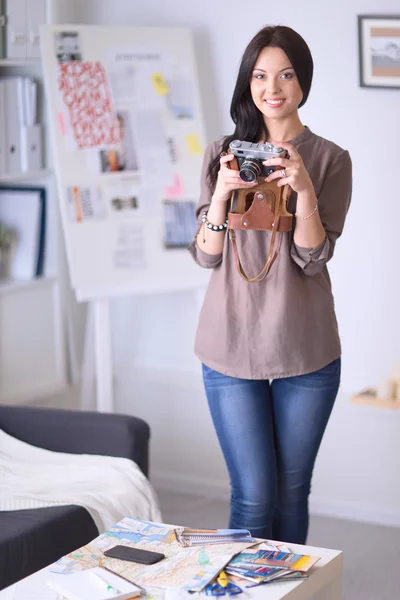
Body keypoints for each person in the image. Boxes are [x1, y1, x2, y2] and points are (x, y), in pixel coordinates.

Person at [188, 25, 352, 545]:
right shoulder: (222, 152)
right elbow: (205, 256)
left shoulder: (330, 159)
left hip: (305, 346)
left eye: (284, 74)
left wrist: (302, 186)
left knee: (291, 490)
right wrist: (222, 194)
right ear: (248, 82)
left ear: (302, 82)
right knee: (254, 494)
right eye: (260, 75)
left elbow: (312, 255)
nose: (271, 87)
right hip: (228, 345)